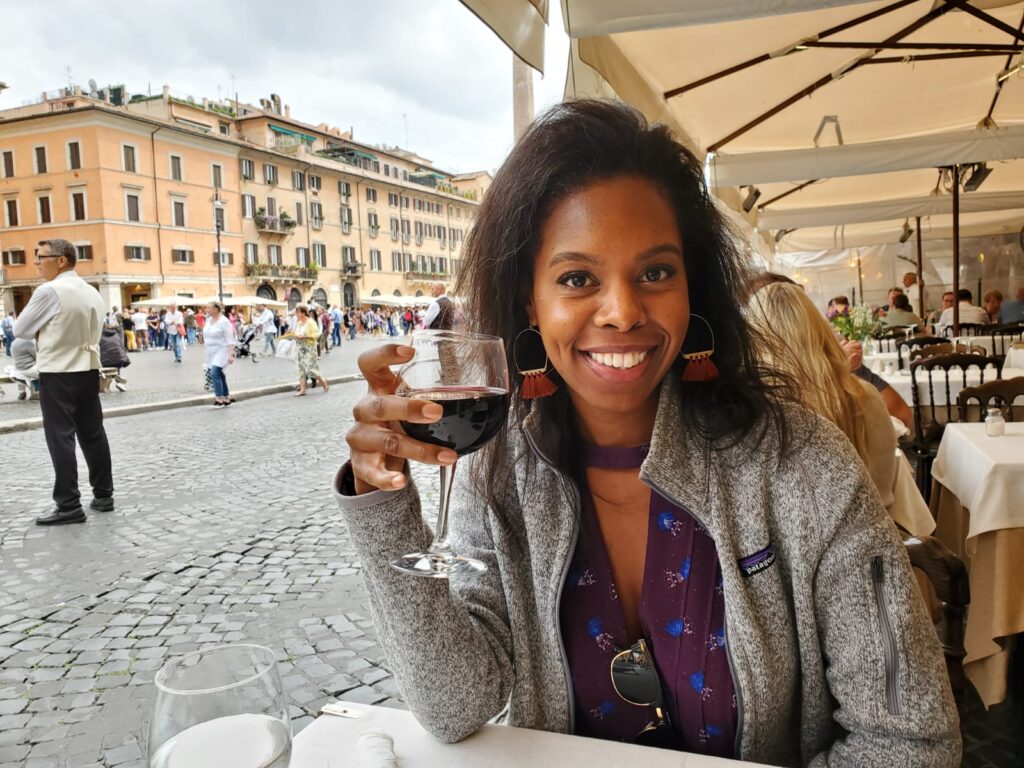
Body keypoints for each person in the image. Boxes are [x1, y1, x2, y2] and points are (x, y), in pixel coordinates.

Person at [338, 101, 958, 764]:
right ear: (529, 300)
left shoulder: (802, 464)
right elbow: (455, 707)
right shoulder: (498, 474)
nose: (623, 311)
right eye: (578, 278)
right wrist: (385, 505)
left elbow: (910, 740)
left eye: (655, 272)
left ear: (692, 285)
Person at [747, 282, 902, 521]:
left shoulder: (754, 414)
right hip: (875, 543)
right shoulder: (865, 396)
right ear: (821, 329)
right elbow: (886, 491)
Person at [14, 238, 114, 525]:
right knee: (93, 434)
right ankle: (104, 494)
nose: (35, 262)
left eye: (40, 256)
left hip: (58, 371)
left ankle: (69, 505)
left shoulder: (49, 290)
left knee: (60, 437)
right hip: (87, 369)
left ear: (61, 260)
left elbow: (21, 330)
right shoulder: (92, 291)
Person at [286, 304, 329, 396]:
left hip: (309, 348)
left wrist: (305, 336)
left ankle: (324, 382)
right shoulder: (299, 323)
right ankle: (303, 390)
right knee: (300, 369)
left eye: (298, 313)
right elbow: (297, 333)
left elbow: (316, 334)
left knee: (311, 368)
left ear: (303, 313)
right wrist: (292, 335)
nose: (296, 315)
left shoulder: (310, 322)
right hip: (299, 348)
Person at [203, 301, 235, 408]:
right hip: (210, 351)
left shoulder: (224, 322)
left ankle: (219, 398)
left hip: (222, 350)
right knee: (220, 374)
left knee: (214, 372)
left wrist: (230, 355)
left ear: (216, 309)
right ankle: (226, 397)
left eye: (208, 308)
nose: (206, 310)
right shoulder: (208, 320)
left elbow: (230, 340)